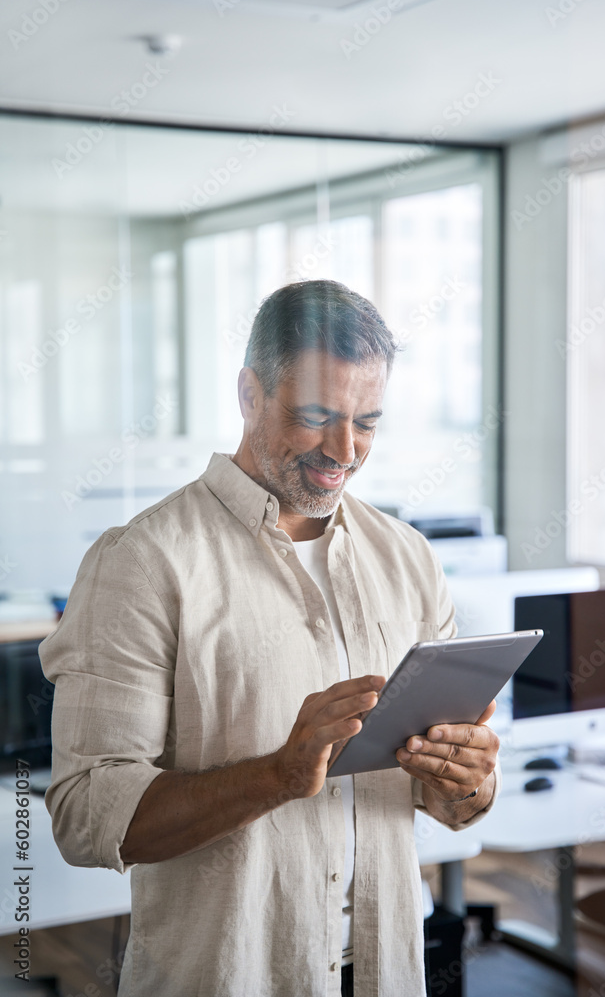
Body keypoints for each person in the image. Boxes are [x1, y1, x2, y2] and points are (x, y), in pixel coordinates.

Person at [41, 279, 500, 997]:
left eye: (368, 422)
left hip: (387, 972)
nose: (343, 451)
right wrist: (278, 774)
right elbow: (83, 813)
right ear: (249, 394)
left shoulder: (407, 557)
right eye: (316, 415)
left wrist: (465, 781)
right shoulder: (142, 561)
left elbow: (445, 805)